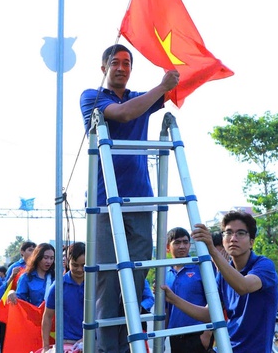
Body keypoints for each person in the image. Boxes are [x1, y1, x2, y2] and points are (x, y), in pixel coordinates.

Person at [80, 43, 179, 353]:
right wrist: (161, 88)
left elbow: (179, 82)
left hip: (140, 200)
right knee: (109, 282)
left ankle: (127, 346)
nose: (121, 67)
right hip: (106, 202)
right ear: (103, 68)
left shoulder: (141, 97)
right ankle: (107, 349)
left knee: (135, 280)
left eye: (127, 63)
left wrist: (174, 76)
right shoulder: (92, 96)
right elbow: (122, 115)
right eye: (115, 62)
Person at [162, 211, 278, 353]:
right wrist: (173, 299)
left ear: (251, 242)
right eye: (228, 233)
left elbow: (243, 286)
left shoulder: (264, 265)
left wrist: (212, 250)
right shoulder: (223, 275)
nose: (233, 238)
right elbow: (209, 314)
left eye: (240, 233)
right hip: (226, 347)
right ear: (223, 240)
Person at [165, 227, 211, 353]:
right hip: (175, 336)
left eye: (185, 242)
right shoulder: (164, 272)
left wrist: (206, 335)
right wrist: (161, 337)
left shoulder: (200, 268)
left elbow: (216, 302)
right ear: (168, 247)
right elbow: (165, 309)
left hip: (198, 334)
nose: (182, 246)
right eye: (177, 242)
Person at [41, 242, 86, 352]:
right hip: (66, 342)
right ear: (68, 262)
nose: (80, 269)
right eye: (75, 265)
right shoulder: (58, 286)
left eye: (84, 265)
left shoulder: (97, 284)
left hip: (93, 341)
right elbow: (47, 317)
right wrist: (46, 347)